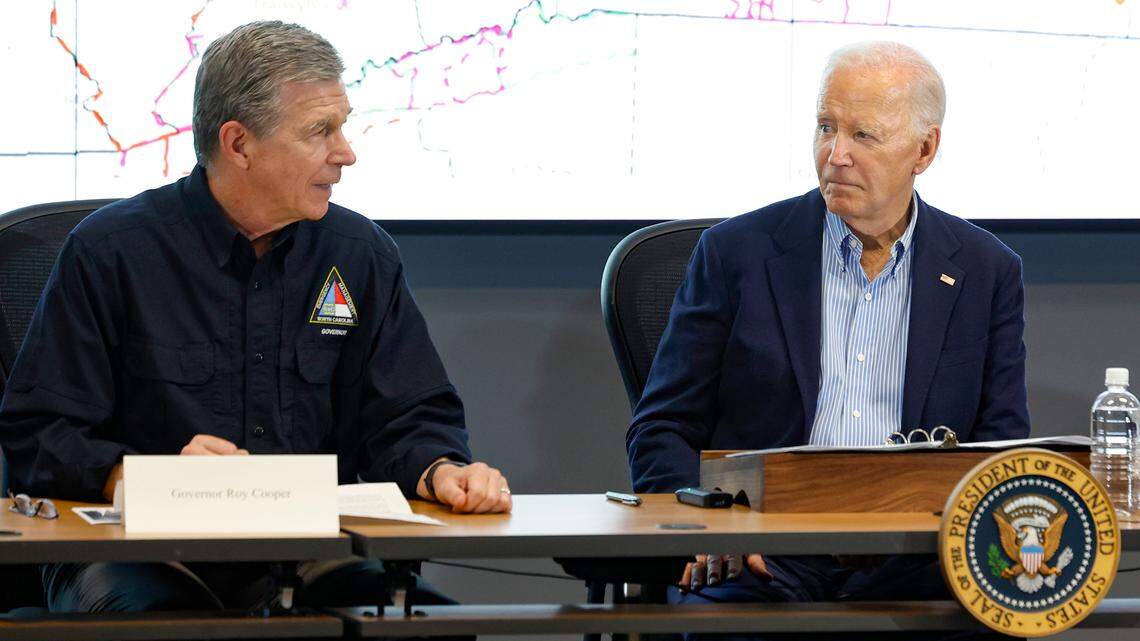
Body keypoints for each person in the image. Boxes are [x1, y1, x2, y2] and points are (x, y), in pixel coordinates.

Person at [0, 20, 510, 614]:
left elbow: (408, 413)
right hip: (135, 552)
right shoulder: (112, 252)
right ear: (238, 144)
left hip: (308, 552)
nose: (346, 153)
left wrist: (440, 468)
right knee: (164, 628)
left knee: (434, 627)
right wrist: (136, 477)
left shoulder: (359, 255)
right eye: (320, 131)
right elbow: (40, 433)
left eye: (342, 127)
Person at [626, 41, 1028, 639]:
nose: (835, 155)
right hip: (761, 556)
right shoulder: (737, 254)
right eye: (824, 127)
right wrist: (709, 528)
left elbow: (1000, 446)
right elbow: (662, 429)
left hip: (919, 560)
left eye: (863, 135)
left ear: (925, 150)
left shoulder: (985, 271)